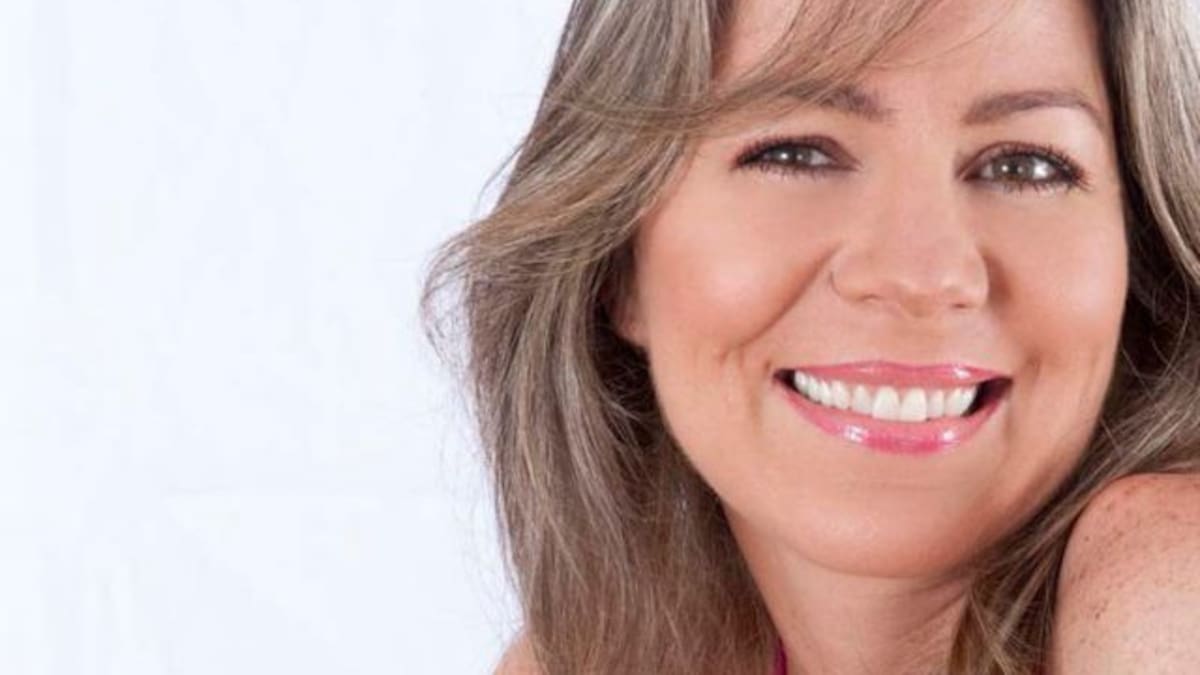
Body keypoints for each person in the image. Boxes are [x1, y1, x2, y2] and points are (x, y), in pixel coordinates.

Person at [420, 0, 1200, 672]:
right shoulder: (596, 654)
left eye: (1026, 167)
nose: (921, 272)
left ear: (1140, 258)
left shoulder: (1171, 572)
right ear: (617, 261)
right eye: (796, 154)